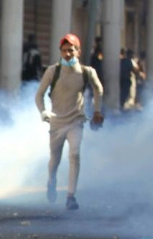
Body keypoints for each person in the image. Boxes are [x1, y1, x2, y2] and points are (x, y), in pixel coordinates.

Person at [35, 33, 104, 211]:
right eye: (65, 51)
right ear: (60, 52)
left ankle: (70, 196)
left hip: (76, 120)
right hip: (56, 122)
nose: (68, 54)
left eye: (71, 50)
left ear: (78, 52)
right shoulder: (53, 71)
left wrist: (97, 110)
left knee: (74, 155)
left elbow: (98, 89)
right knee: (55, 159)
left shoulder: (87, 72)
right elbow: (39, 94)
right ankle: (51, 181)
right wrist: (43, 112)